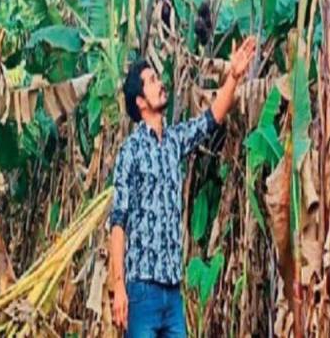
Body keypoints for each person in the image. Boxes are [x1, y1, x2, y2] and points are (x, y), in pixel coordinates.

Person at [109, 36, 257, 337]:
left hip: (171, 292)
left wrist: (234, 76)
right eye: (151, 81)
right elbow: (118, 221)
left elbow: (210, 119)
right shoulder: (131, 151)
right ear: (140, 102)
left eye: (157, 78)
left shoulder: (174, 141)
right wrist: (118, 287)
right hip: (141, 290)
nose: (160, 84)